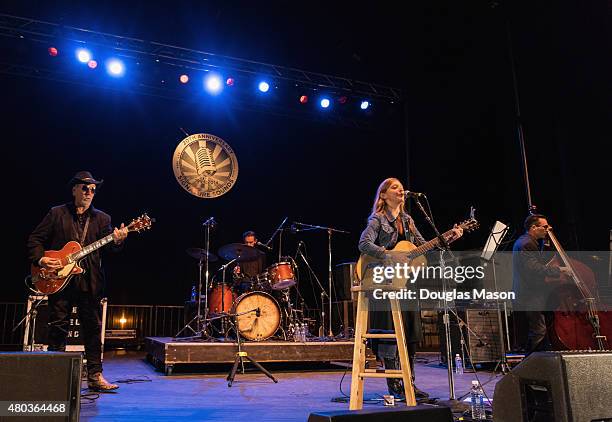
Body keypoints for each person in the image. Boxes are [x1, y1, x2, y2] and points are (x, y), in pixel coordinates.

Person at [358, 177, 462, 399]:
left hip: (405, 283)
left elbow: (426, 247)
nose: (401, 190)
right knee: (390, 335)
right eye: (394, 187)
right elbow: (363, 244)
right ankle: (395, 384)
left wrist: (448, 238)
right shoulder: (377, 220)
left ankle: (409, 382)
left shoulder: (408, 220)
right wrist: (389, 254)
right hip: (383, 281)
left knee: (410, 333)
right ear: (384, 195)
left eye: (401, 188)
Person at [27, 171, 128, 391]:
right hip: (58, 280)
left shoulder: (103, 219)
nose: (89, 193)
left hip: (89, 281)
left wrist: (118, 241)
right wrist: (43, 259)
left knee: (92, 329)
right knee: (58, 326)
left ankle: (95, 376)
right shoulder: (56, 213)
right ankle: (55, 375)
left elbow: (110, 249)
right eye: (85, 188)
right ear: (74, 189)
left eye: (93, 189)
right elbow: (35, 239)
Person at [512, 214, 568, 354]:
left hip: (531, 294)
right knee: (539, 331)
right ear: (533, 227)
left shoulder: (530, 242)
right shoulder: (527, 244)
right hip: (529, 295)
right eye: (544, 227)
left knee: (539, 330)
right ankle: (534, 364)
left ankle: (536, 362)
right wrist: (559, 270)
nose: (547, 229)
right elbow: (534, 268)